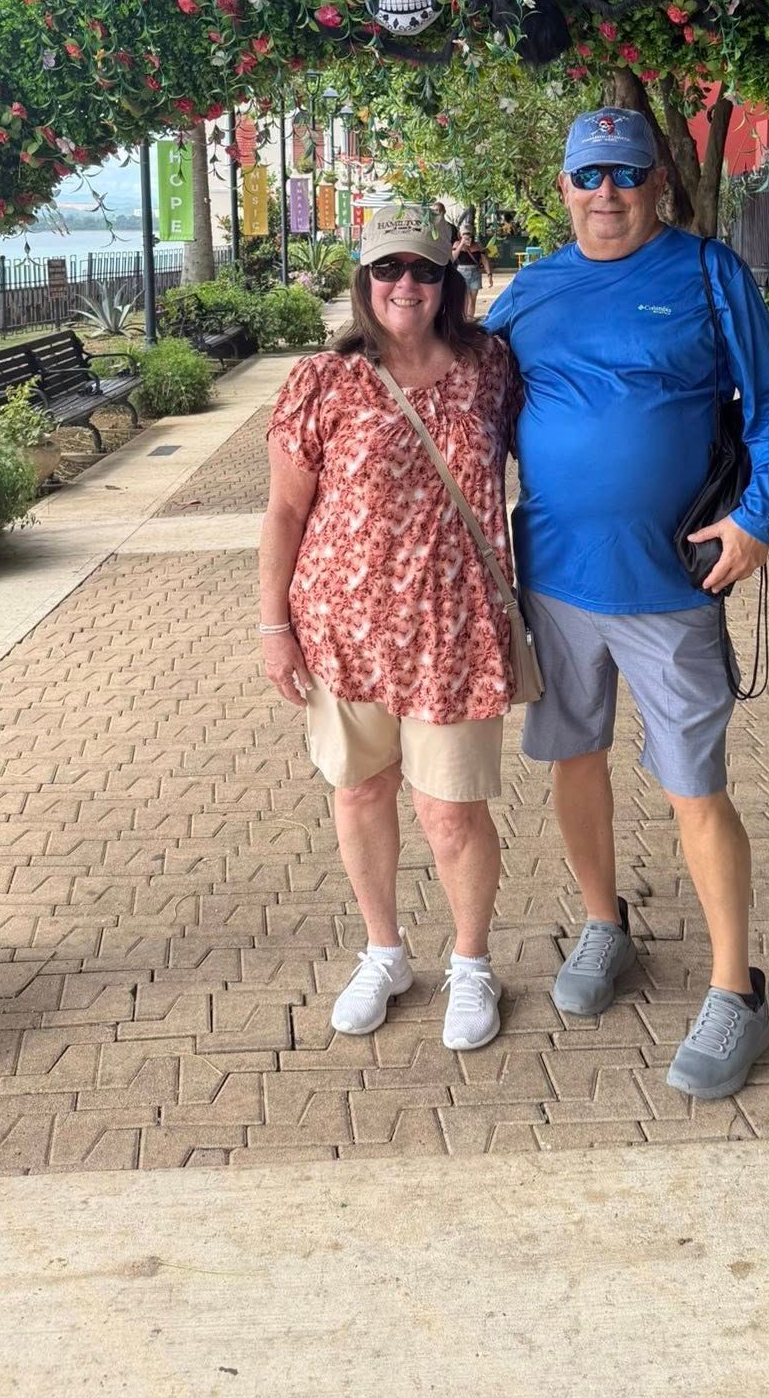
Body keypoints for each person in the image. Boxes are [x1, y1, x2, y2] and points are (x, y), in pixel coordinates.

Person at [484, 107, 769, 1099]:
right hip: (557, 577)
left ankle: (733, 989)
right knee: (572, 755)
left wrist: (756, 518)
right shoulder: (530, 291)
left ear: (656, 180)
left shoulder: (711, 274)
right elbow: (460, 397)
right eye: (590, 175)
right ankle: (603, 923)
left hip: (672, 583)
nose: (608, 193)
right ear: (564, 185)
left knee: (692, 781)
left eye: (626, 173)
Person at [260, 204, 517, 1052]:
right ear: (364, 282)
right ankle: (385, 953)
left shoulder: (489, 369)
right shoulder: (322, 382)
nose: (405, 285)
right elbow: (285, 513)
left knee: (452, 814)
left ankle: (471, 965)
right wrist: (274, 626)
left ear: (450, 281)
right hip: (343, 631)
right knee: (361, 792)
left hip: (455, 633)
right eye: (387, 270)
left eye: (424, 270)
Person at [451, 225, 494, 319]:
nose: (467, 236)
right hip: (462, 272)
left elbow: (484, 260)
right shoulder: (457, 244)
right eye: (464, 234)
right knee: (465, 298)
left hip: (475, 272)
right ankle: (464, 319)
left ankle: (470, 318)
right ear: (460, 234)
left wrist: (489, 275)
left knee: (473, 298)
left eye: (468, 234)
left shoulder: (477, 245)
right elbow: (453, 258)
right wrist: (462, 244)